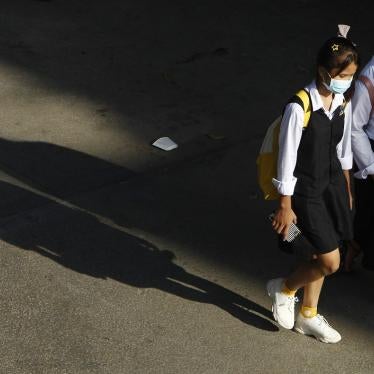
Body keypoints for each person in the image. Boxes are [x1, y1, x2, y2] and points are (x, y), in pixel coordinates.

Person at [266, 25, 359, 343]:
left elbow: (343, 150)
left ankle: (307, 314)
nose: (346, 81)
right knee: (329, 261)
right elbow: (287, 159)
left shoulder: (343, 102)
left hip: (332, 187)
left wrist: (346, 189)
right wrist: (284, 205)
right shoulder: (299, 107)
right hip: (304, 192)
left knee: (318, 254)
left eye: (351, 75)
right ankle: (284, 287)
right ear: (323, 70)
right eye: (342, 74)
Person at [351, 56, 374, 271]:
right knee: (367, 213)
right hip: (370, 153)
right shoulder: (367, 80)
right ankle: (352, 250)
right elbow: (355, 128)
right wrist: (371, 167)